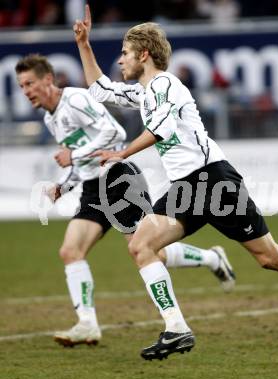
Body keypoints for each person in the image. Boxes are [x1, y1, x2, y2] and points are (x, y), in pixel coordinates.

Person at [73, 5, 278, 360]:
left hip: (213, 181)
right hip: (186, 187)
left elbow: (160, 130)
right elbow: (101, 90)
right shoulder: (144, 93)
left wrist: (122, 153)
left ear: (144, 54)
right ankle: (176, 329)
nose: (120, 61)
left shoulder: (165, 83)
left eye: (124, 54)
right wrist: (84, 44)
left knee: (269, 257)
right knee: (141, 246)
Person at [15, 54, 236, 348]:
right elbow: (79, 161)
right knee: (70, 251)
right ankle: (87, 325)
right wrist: (64, 185)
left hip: (119, 179)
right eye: (21, 86)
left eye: (30, 83)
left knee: (149, 250)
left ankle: (210, 258)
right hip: (93, 188)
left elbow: (114, 133)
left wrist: (75, 156)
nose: (26, 91)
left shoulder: (76, 100)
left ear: (47, 80)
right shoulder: (50, 118)